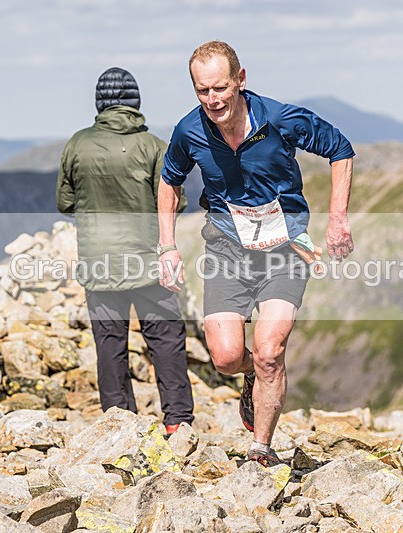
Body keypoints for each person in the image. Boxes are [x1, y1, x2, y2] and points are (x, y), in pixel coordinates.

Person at [157, 41, 354, 465]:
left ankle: (260, 450)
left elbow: (340, 149)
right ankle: (249, 377)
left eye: (221, 88)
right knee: (227, 357)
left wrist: (337, 218)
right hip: (227, 250)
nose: (213, 100)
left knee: (269, 352)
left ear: (241, 80)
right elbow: (168, 181)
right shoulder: (188, 131)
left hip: (285, 248)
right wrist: (168, 247)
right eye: (202, 91)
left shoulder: (280, 118)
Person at [57, 67, 194, 435]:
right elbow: (173, 203)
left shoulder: (76, 144)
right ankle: (177, 420)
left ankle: (119, 423)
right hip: (149, 261)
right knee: (165, 339)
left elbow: (65, 202)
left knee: (110, 343)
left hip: (98, 263)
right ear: (135, 101)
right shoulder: (153, 146)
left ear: (100, 102)